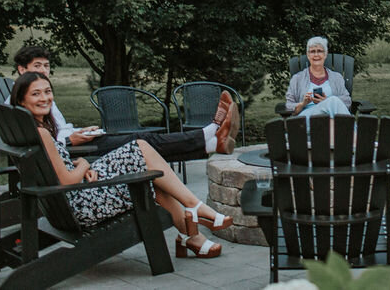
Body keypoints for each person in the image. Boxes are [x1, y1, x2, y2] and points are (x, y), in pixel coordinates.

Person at [12, 71, 231, 258]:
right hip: (82, 206)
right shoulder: (42, 133)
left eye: (47, 91)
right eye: (36, 94)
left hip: (70, 200)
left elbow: (59, 168)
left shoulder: (30, 129)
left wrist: (78, 164)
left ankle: (192, 236)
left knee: (149, 166)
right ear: (22, 100)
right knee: (142, 153)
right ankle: (194, 210)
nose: (44, 98)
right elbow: (67, 180)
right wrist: (84, 167)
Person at [9, 45, 238, 159]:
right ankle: (211, 131)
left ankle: (210, 142)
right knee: (142, 142)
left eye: (46, 66)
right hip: (74, 152)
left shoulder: (39, 92)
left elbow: (53, 129)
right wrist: (71, 139)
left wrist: (80, 131)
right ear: (22, 70)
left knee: (145, 142)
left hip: (77, 142)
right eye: (37, 66)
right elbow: (43, 140)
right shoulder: (23, 98)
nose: (43, 71)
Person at [284, 37, 352, 119]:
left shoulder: (337, 78)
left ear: (325, 54)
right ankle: (353, 130)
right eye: (312, 51)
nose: (316, 55)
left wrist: (326, 101)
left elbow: (347, 101)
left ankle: (349, 130)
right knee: (333, 100)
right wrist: (303, 104)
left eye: (319, 51)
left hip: (331, 120)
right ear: (308, 55)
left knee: (333, 101)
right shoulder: (297, 79)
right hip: (306, 120)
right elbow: (289, 106)